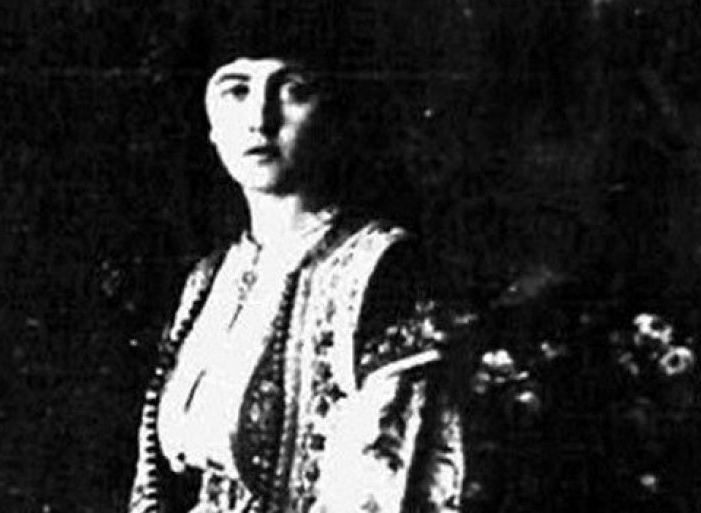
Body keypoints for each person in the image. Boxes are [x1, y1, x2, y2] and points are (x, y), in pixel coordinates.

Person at [129, 4, 466, 512]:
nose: (259, 119)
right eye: (236, 90)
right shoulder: (209, 280)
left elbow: (384, 491)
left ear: (337, 115)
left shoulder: (378, 269)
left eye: (293, 90)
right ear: (210, 124)